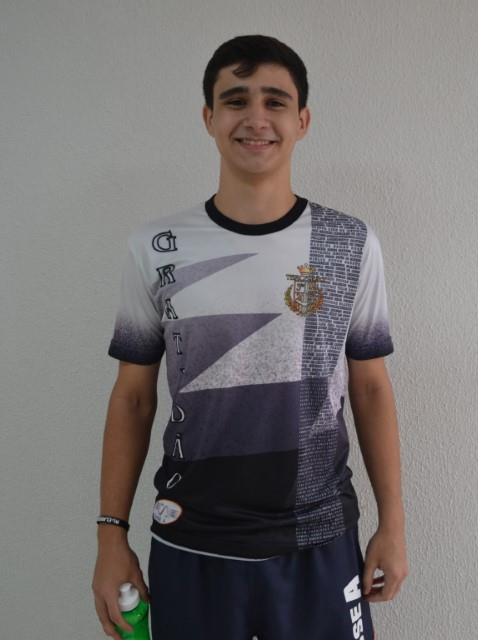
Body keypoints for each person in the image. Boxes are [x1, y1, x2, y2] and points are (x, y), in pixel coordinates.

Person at [91, 34, 407, 639]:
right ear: (209, 118)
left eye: (274, 101)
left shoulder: (349, 242)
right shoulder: (155, 248)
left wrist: (392, 525)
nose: (255, 118)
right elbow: (132, 398)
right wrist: (111, 536)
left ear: (302, 120)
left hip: (319, 539)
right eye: (235, 101)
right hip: (193, 541)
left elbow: (370, 388)